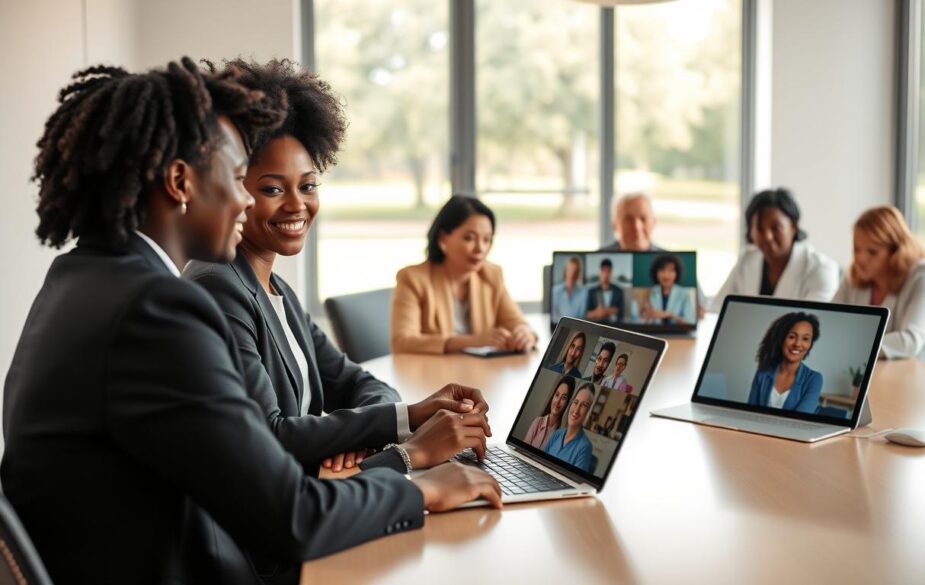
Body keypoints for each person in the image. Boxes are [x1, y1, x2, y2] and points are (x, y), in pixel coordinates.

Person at [0, 59, 500, 585]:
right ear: (180, 182)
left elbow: (262, 480)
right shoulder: (157, 308)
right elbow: (291, 517)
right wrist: (421, 484)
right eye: (241, 178)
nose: (243, 199)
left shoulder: (80, 275)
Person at [184, 59, 489, 488]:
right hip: (285, 522)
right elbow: (271, 436)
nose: (297, 205)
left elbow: (354, 381)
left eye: (308, 186)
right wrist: (405, 451)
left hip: (323, 493)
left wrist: (405, 417)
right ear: (234, 186)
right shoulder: (217, 286)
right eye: (273, 189)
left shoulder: (276, 288)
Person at [391, 195, 537, 354]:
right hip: (433, 374)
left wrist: (524, 333)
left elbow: (516, 322)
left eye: (487, 240)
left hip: (481, 374)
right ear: (442, 239)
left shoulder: (491, 274)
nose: (480, 249)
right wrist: (473, 341)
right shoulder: (413, 278)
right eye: (469, 238)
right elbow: (402, 341)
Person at [832, 206, 925, 362]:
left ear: (897, 250)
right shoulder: (854, 275)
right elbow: (831, 323)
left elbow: (910, 341)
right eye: (857, 249)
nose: (860, 259)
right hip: (864, 372)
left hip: (914, 375)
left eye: (872, 251)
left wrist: (852, 347)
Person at [715, 188, 840, 310]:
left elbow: (815, 318)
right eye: (760, 228)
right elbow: (718, 308)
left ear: (793, 227)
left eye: (776, 228)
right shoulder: (746, 259)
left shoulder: (821, 268)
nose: (767, 236)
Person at [600, 192, 707, 318]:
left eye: (643, 218)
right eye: (628, 219)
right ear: (614, 225)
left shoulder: (671, 259)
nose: (637, 226)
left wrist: (698, 311)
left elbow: (701, 306)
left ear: (654, 222)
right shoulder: (600, 257)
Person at [747, 312, 823, 413]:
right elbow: (749, 412)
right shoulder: (763, 372)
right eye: (792, 337)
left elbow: (800, 420)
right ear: (781, 339)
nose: (797, 344)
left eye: (805, 339)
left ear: (810, 344)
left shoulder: (814, 379)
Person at [544, 383, 596, 470]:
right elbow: (540, 462)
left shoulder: (585, 447)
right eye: (575, 402)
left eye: (584, 405)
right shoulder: (556, 434)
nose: (576, 410)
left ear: (588, 412)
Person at [634, 254, 697, 325]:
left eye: (671, 270)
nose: (666, 275)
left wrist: (670, 315)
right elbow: (640, 319)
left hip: (678, 334)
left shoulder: (684, 293)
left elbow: (690, 322)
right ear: (656, 273)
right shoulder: (649, 292)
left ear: (676, 273)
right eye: (662, 270)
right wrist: (645, 315)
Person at [524, 376, 574, 449]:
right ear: (553, 396)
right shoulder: (538, 422)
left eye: (564, 398)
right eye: (557, 395)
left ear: (567, 403)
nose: (558, 401)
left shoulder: (561, 436)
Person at [586, 258, 625, 324]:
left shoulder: (619, 291)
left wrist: (605, 311)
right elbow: (587, 314)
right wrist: (596, 313)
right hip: (597, 327)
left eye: (608, 271)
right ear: (600, 272)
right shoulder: (592, 291)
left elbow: (621, 313)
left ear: (611, 272)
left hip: (615, 327)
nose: (606, 274)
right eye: (604, 271)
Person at [551, 255, 587, 321]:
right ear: (565, 271)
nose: (571, 274)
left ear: (578, 273)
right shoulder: (555, 291)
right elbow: (553, 317)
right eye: (570, 270)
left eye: (575, 271)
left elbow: (582, 317)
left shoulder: (583, 292)